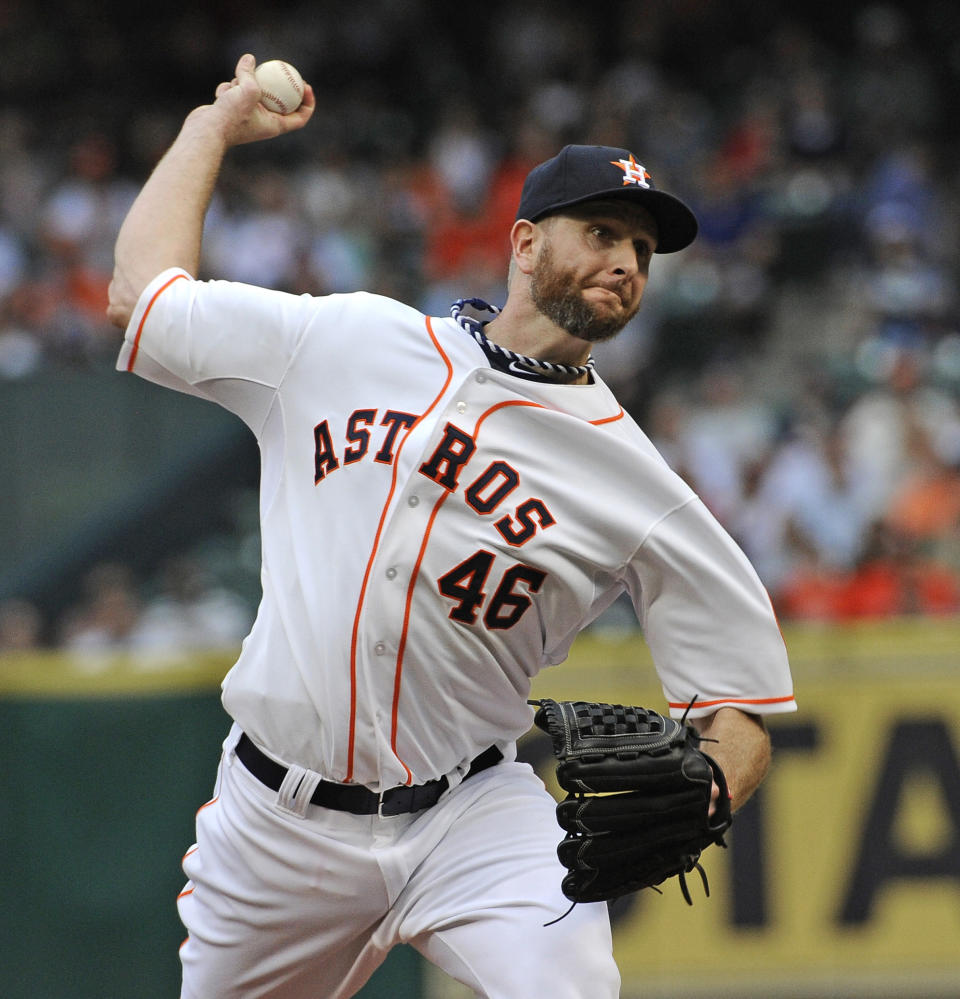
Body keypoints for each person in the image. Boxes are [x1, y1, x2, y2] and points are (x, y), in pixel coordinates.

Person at [107, 54, 795, 999]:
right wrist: (212, 126)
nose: (626, 262)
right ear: (522, 243)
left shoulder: (638, 480)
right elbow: (142, 294)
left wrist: (713, 787)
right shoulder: (343, 341)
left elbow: (739, 706)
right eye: (601, 232)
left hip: (472, 813)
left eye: (642, 250)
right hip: (275, 820)